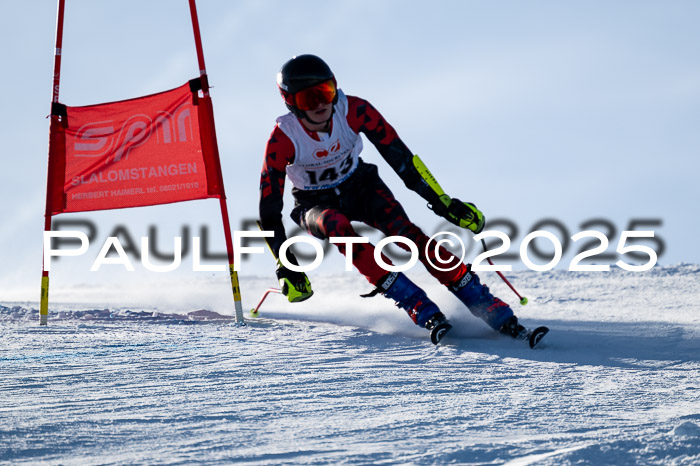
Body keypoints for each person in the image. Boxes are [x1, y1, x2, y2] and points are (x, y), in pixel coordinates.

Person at [258, 54, 528, 344]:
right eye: (307, 100)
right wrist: (286, 264)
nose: (321, 104)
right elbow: (269, 209)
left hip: (361, 186)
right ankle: (416, 304)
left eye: (326, 92)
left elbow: (402, 160)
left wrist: (443, 202)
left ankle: (486, 305)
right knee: (337, 226)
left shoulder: (355, 110)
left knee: (407, 235)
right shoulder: (283, 139)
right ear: (290, 102)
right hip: (314, 204)